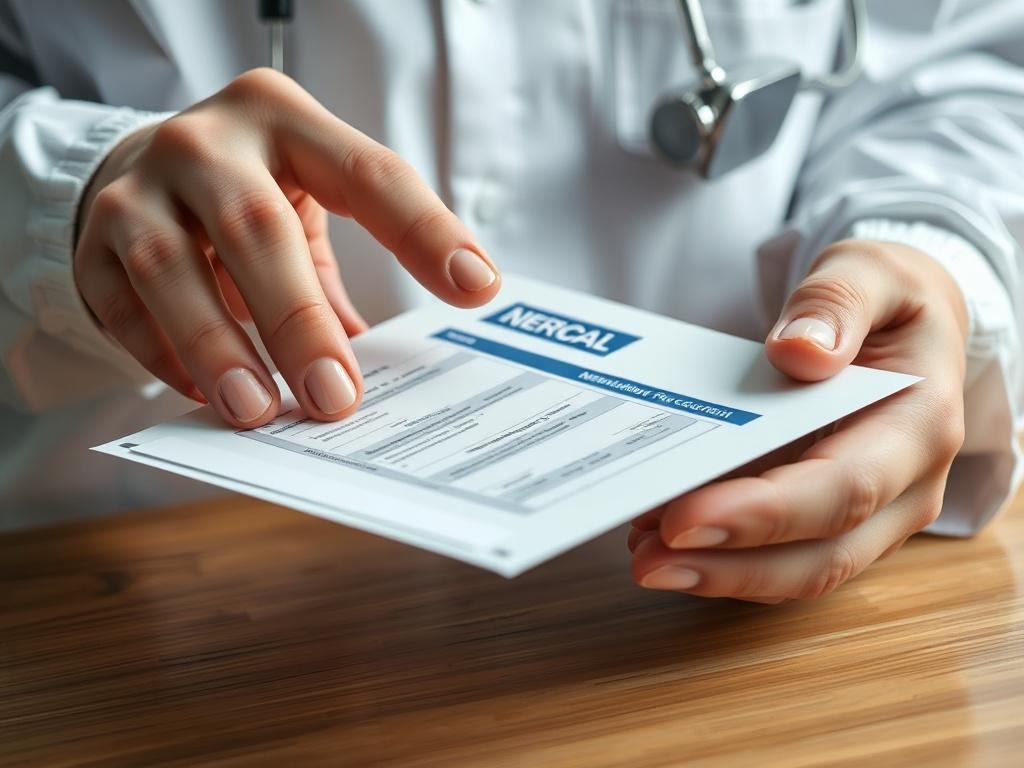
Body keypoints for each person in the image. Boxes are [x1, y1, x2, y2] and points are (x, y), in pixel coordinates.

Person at [1, 0, 1022, 603]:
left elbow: (969, 56)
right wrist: (69, 197)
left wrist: (927, 251)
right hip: (161, 603)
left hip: (708, 609)